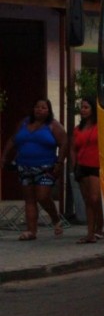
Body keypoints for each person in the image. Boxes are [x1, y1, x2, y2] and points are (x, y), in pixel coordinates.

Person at [0, 98, 67, 241]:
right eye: (37, 107)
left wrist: (60, 162)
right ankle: (31, 230)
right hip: (24, 166)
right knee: (29, 198)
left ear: (49, 111)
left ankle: (55, 218)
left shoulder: (53, 126)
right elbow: (13, 139)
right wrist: (4, 156)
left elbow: (63, 143)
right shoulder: (24, 123)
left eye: (43, 108)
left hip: (46, 167)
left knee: (42, 196)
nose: (39, 110)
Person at [70, 97, 103, 244]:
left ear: (93, 110)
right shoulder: (77, 130)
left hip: (96, 166)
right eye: (82, 107)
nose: (83, 110)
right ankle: (90, 233)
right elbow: (73, 148)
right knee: (88, 201)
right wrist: (74, 163)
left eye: (86, 107)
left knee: (95, 198)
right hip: (82, 166)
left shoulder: (100, 126)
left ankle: (99, 226)